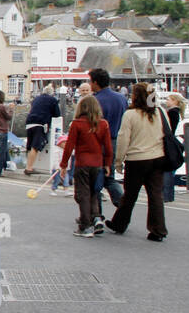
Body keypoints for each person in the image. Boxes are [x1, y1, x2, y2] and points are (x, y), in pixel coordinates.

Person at [107, 83, 167, 241]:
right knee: (155, 195)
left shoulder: (131, 114)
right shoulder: (160, 112)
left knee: (130, 195)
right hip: (158, 157)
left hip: (137, 159)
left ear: (135, 96)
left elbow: (123, 139)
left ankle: (120, 223)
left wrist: (119, 161)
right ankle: (158, 229)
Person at [58, 95, 112, 237]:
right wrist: (107, 164)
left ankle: (85, 226)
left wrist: (64, 165)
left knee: (82, 194)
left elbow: (69, 146)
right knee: (94, 193)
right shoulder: (103, 124)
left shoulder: (77, 123)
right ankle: (96, 218)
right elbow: (108, 147)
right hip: (98, 164)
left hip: (83, 163)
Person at [88, 68, 126, 226]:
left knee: (95, 179)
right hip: (116, 139)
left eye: (90, 81)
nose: (90, 84)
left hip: (98, 142)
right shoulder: (121, 98)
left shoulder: (95, 100)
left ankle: (97, 215)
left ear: (95, 82)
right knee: (110, 179)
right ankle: (123, 206)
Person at [24, 85, 61, 175]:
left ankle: (28, 166)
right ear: (52, 93)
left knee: (30, 146)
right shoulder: (53, 100)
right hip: (40, 123)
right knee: (35, 147)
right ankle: (29, 168)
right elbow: (57, 115)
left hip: (29, 123)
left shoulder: (36, 99)